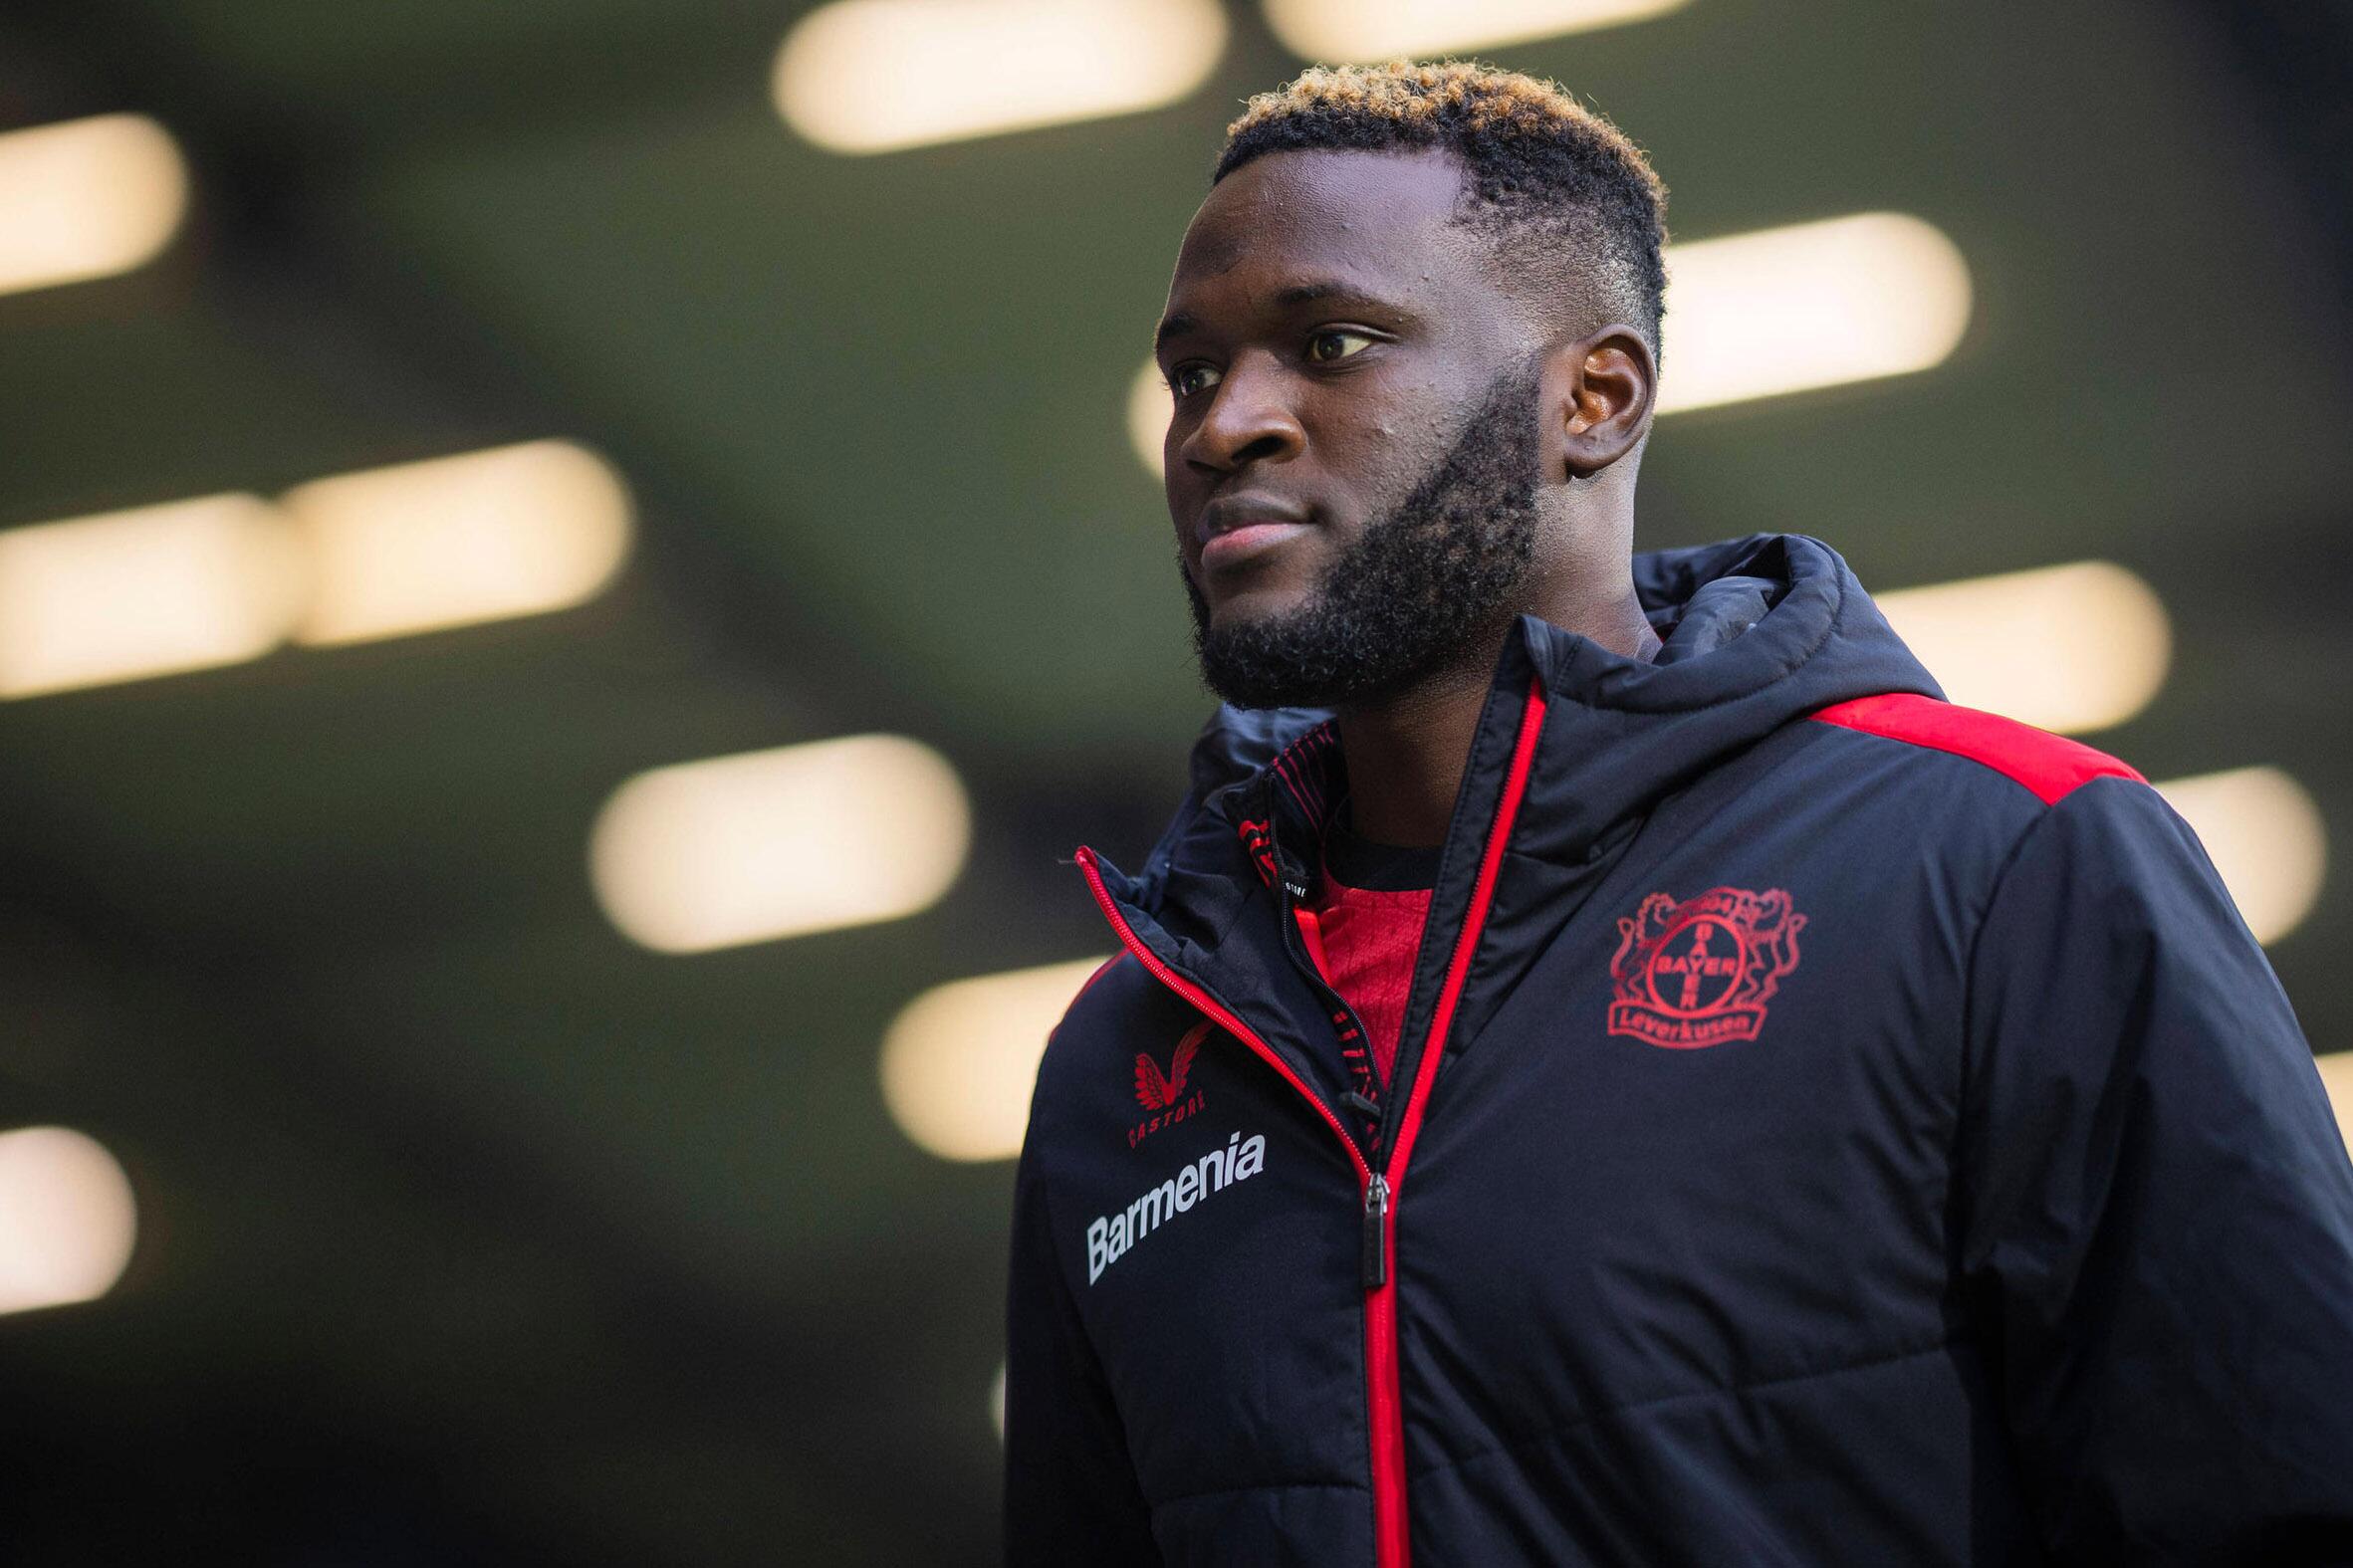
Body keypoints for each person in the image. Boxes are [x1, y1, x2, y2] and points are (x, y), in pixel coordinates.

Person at [1003, 60, 2353, 1566]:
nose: (1223, 427)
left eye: (1332, 343)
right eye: (1193, 374)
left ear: (1593, 401)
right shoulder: (1126, 1059)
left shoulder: (2003, 863)